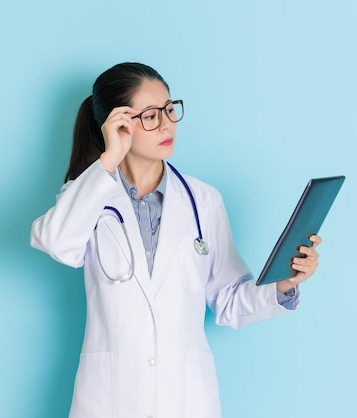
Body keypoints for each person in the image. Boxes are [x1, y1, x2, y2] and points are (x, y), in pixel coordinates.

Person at [30, 62, 322, 418]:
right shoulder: (89, 195)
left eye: (169, 110)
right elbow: (56, 243)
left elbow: (229, 301)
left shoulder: (204, 201)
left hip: (185, 400)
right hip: (108, 401)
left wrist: (286, 284)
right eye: (150, 116)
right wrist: (108, 159)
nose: (167, 123)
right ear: (118, 123)